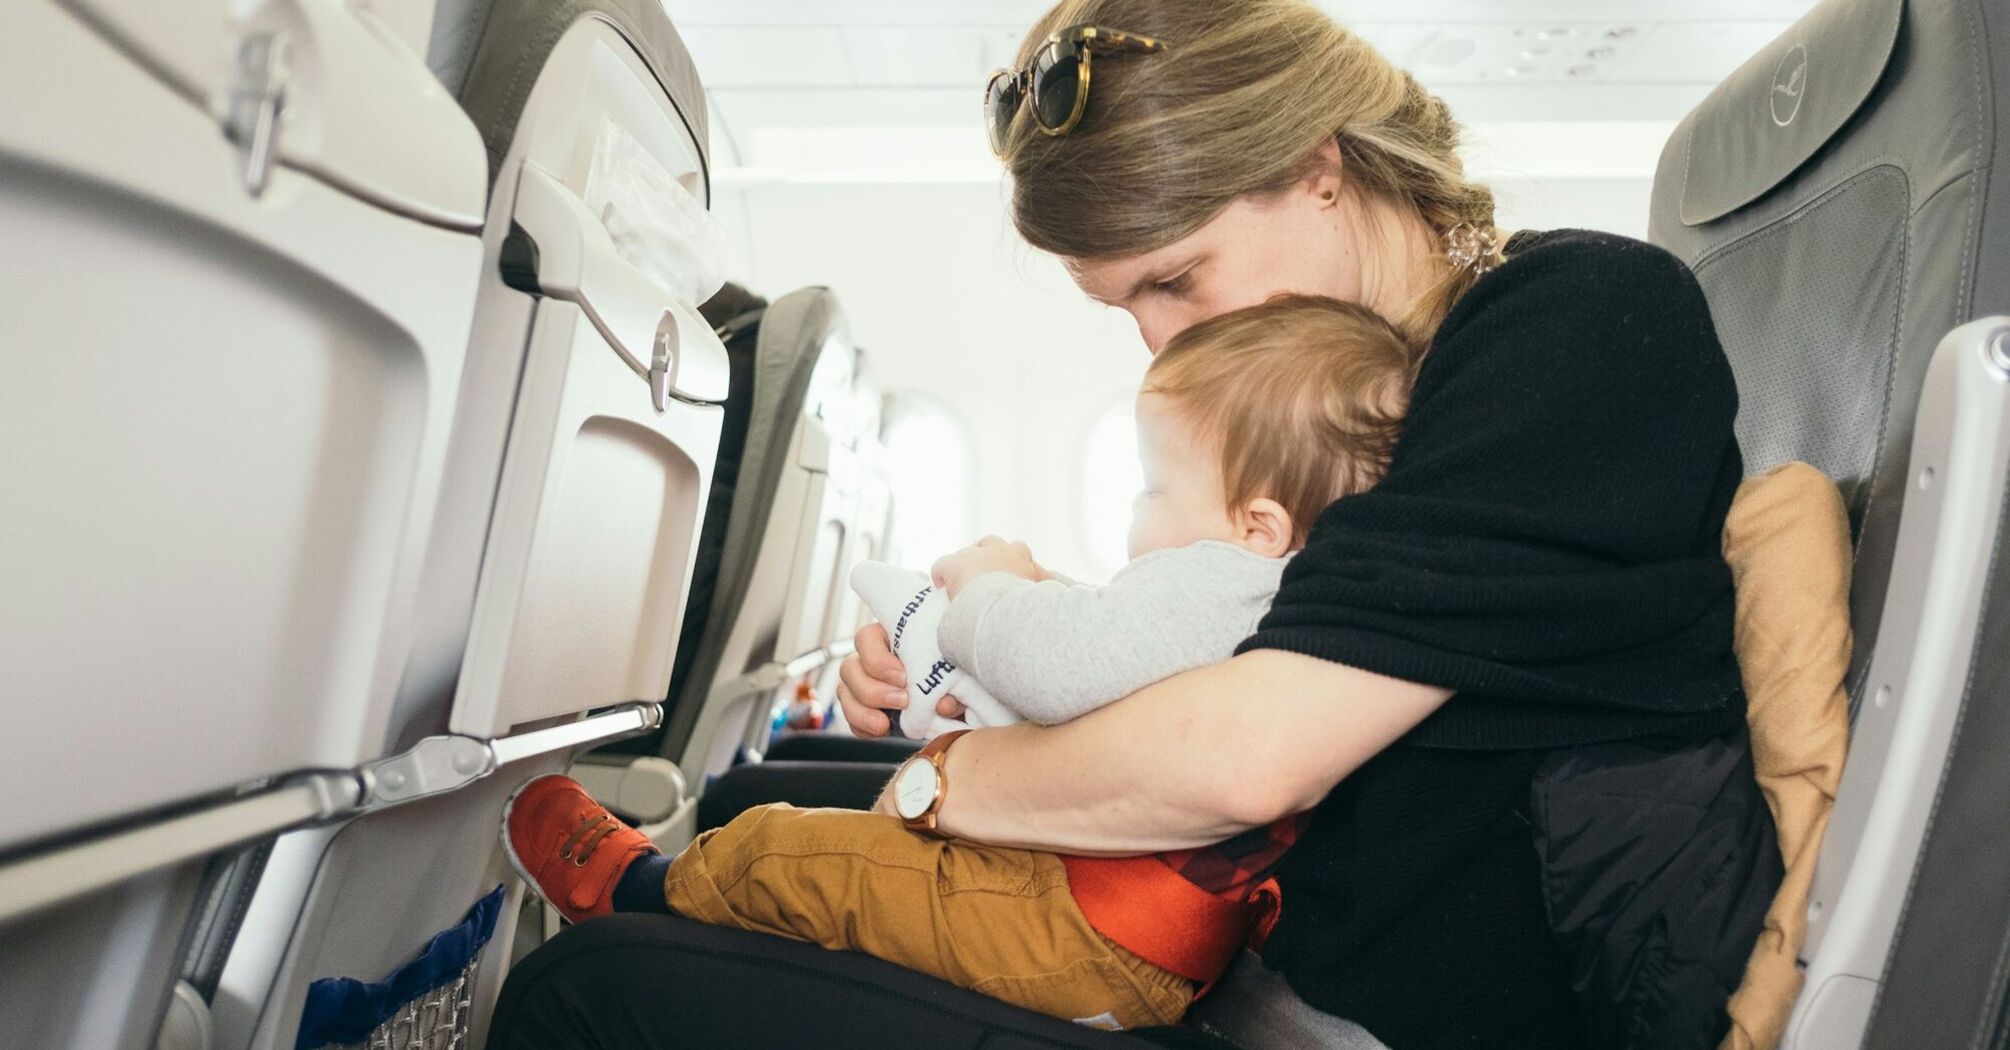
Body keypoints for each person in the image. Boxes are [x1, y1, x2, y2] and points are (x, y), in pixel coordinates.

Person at [488, 1, 1780, 1047]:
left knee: (592, 988)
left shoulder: (1573, 321)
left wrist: (951, 779)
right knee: (753, 813)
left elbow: (1242, 760)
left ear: (1316, 169)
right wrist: (976, 654)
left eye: (1174, 276)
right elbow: (1270, 636)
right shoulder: (1353, 377)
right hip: (1238, 954)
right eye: (1123, 304)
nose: (1164, 334)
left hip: (1341, 1011)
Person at [501, 295, 1415, 1031]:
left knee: (795, 851)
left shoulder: (1227, 578)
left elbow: (1062, 665)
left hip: (1081, 925)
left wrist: (988, 588)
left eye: (1153, 488)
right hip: (1122, 934)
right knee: (852, 865)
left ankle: (638, 891)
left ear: (1258, 523)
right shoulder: (1279, 591)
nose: (1139, 515)